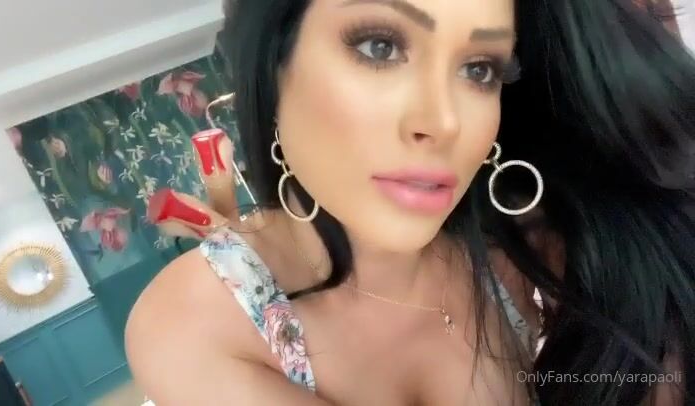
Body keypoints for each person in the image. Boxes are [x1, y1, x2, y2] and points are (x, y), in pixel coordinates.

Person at [125, 0, 695, 404]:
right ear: (272, 69)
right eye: (380, 46)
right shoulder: (200, 320)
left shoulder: (515, 246)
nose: (443, 122)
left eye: (479, 69)